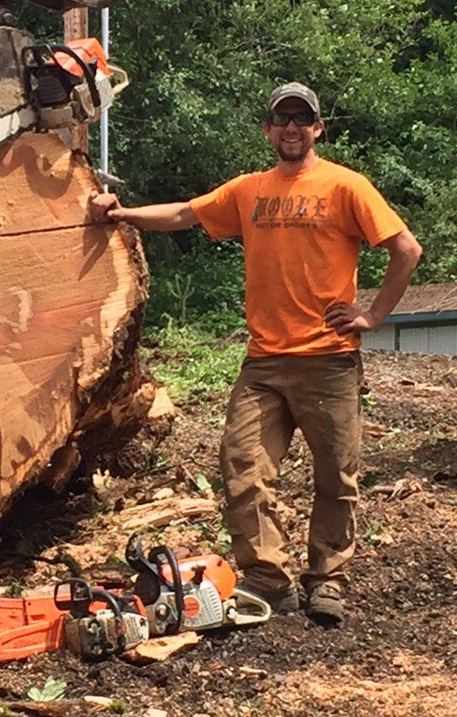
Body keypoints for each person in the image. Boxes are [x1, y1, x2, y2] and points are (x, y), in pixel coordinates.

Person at [91, 82, 422, 626]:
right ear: (268, 129)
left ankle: (327, 582)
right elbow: (185, 214)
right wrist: (121, 214)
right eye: (282, 119)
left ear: (318, 128)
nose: (292, 128)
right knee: (242, 467)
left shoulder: (346, 186)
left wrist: (373, 315)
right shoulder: (250, 190)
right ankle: (269, 578)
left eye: (303, 119)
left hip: (329, 360)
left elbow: (406, 249)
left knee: (336, 477)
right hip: (265, 362)